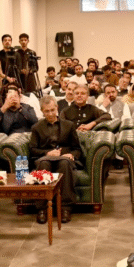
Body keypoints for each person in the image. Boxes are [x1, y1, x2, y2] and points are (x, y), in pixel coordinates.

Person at [29, 96, 82, 224]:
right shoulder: (36, 127)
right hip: (45, 158)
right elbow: (33, 149)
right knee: (44, 164)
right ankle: (42, 209)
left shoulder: (69, 125)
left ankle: (65, 208)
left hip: (64, 158)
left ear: (57, 108)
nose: (50, 114)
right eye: (47, 111)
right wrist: (47, 153)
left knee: (64, 164)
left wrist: (71, 155)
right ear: (42, 111)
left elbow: (77, 148)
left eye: (52, 110)